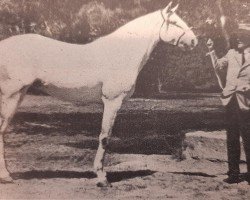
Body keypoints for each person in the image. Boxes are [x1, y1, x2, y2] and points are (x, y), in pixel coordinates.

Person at [207, 35, 250, 184]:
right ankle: (233, 173)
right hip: (231, 100)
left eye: (242, 34)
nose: (238, 38)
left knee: (248, 138)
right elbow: (219, 66)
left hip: (247, 101)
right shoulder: (231, 53)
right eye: (237, 35)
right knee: (232, 138)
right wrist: (211, 50)